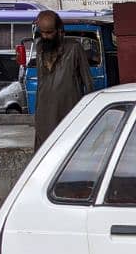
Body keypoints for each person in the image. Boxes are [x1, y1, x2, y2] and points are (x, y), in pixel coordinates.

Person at [33, 10, 93, 150]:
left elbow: (88, 83)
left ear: (59, 31)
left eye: (49, 32)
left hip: (68, 111)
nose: (45, 36)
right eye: (43, 32)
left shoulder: (74, 48)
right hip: (44, 114)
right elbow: (41, 82)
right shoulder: (40, 47)